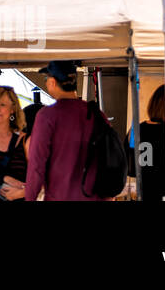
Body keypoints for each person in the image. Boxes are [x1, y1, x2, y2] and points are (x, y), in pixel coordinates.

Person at [24, 61, 113, 201]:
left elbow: (37, 166)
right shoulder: (96, 114)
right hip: (94, 197)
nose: (46, 83)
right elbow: (109, 157)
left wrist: (29, 197)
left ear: (53, 82)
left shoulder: (47, 116)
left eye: (46, 79)